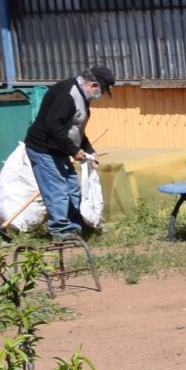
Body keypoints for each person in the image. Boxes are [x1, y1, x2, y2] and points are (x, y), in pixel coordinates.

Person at [22, 66, 114, 245]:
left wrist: (88, 149)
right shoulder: (67, 94)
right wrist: (73, 150)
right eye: (101, 90)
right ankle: (60, 231)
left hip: (58, 148)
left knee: (72, 187)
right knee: (57, 190)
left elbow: (76, 128)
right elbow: (53, 126)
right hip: (43, 148)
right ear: (93, 84)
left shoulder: (82, 95)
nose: (100, 95)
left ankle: (74, 226)